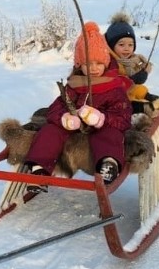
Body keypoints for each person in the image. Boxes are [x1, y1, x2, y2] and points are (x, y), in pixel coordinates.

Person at [20, 21, 133, 194]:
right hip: (76, 128)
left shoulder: (114, 88)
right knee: (50, 130)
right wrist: (64, 118)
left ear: (106, 62)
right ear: (80, 65)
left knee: (110, 134)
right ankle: (39, 169)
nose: (94, 68)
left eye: (98, 63)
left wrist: (101, 118)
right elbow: (55, 108)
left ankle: (108, 164)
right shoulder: (74, 85)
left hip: (101, 128)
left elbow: (123, 118)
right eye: (88, 64)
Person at [104, 12, 159, 116]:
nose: (126, 48)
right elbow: (121, 83)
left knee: (156, 111)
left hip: (128, 96)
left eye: (130, 44)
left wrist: (146, 95)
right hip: (115, 103)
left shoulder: (131, 61)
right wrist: (139, 77)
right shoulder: (110, 62)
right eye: (121, 44)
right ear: (111, 46)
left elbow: (133, 87)